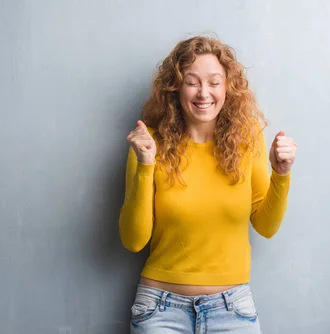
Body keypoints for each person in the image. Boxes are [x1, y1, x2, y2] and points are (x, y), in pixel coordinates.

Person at [119, 35, 297, 333]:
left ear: (228, 86)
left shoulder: (248, 137)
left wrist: (281, 174)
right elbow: (134, 240)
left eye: (214, 82)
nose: (204, 93)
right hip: (160, 310)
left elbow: (266, 226)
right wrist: (146, 166)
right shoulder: (148, 142)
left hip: (233, 310)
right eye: (192, 82)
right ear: (175, 87)